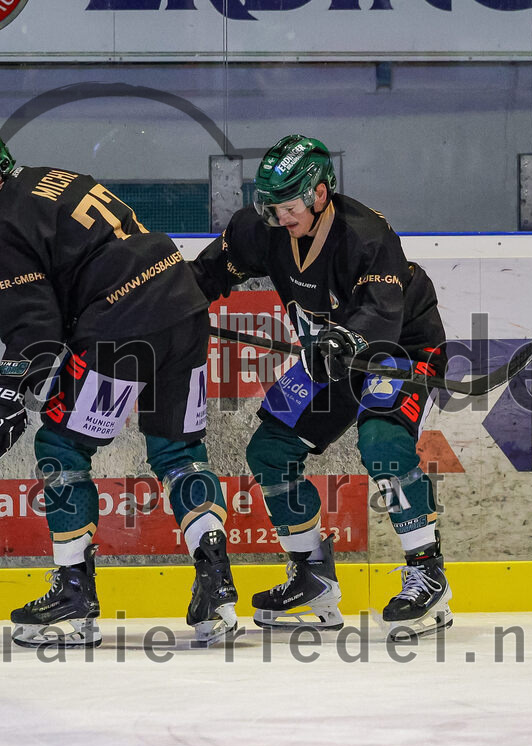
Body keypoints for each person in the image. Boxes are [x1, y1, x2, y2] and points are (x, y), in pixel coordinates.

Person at [0, 127, 238, 648]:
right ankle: (219, 589)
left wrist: (7, 390)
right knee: (180, 451)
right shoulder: (56, 177)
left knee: (61, 446)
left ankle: (74, 597)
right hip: (184, 311)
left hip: (122, 331)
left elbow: (36, 331)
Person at [189, 134, 452, 641]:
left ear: (319, 195)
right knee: (270, 449)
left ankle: (429, 573)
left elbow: (381, 313)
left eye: (288, 208)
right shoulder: (263, 229)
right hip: (327, 357)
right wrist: (160, 306)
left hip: (398, 349)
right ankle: (312, 574)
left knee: (382, 442)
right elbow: (205, 275)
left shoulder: (368, 236)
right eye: (269, 209)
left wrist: (347, 338)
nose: (277, 219)